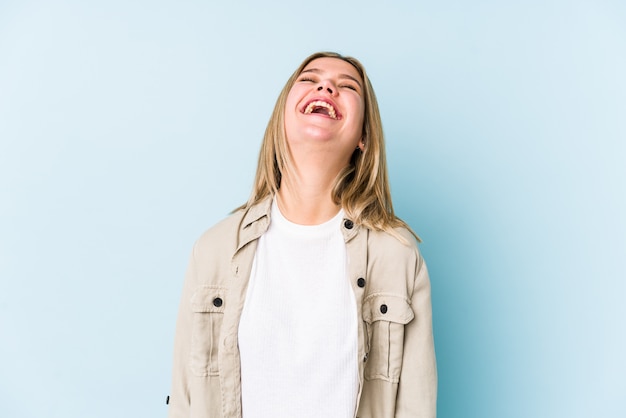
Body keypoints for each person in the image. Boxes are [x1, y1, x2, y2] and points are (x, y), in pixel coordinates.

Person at [167, 51, 437, 418]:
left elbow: (415, 406)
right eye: (310, 79)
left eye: (347, 86)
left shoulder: (397, 256)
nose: (326, 86)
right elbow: (185, 400)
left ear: (363, 136)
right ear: (282, 118)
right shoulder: (214, 250)